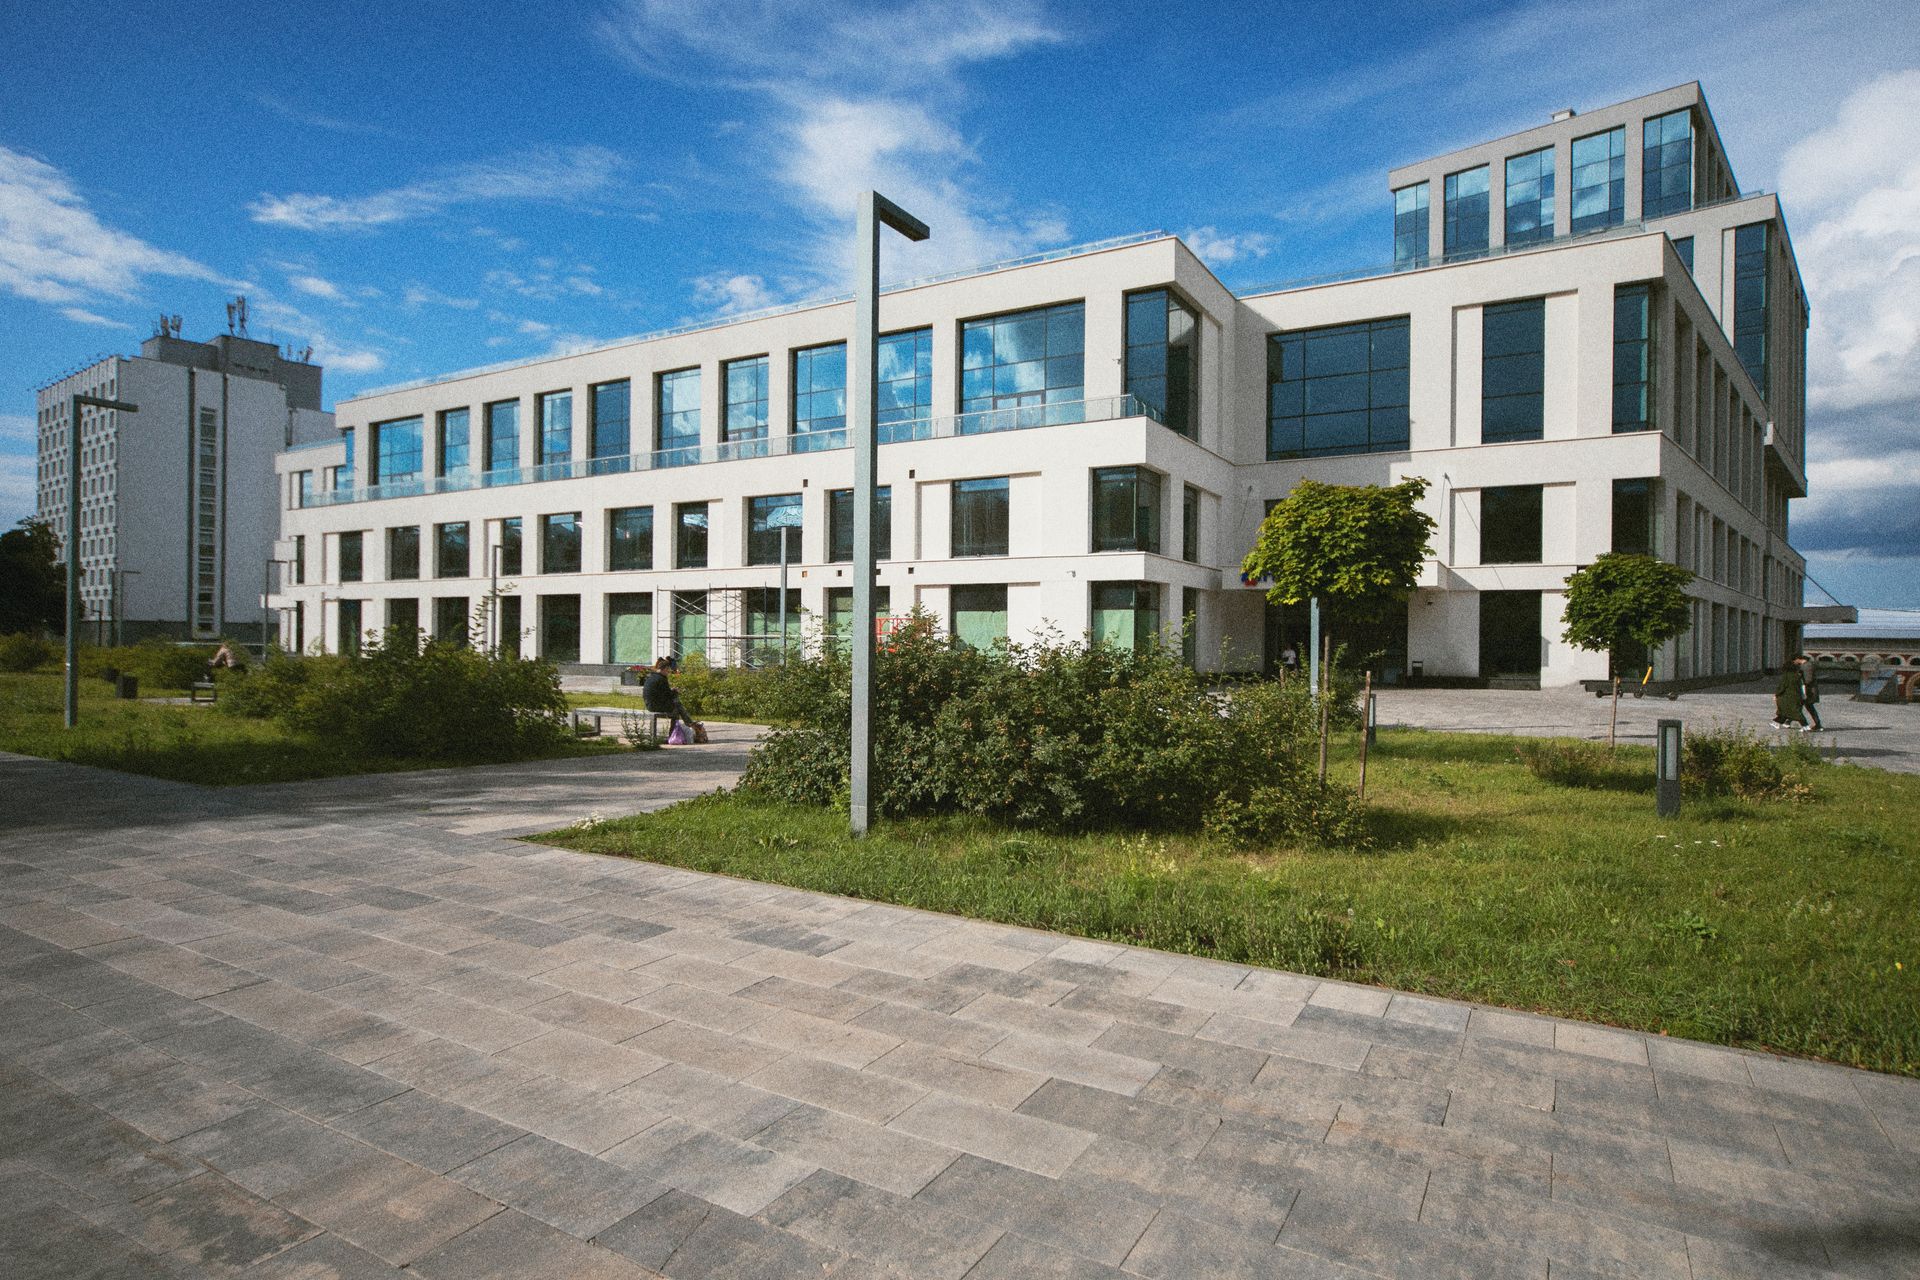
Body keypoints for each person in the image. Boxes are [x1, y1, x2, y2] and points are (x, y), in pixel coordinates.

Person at [641, 656, 699, 741]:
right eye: (668, 670)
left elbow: (662, 693)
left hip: (650, 704)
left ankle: (688, 723)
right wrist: (675, 692)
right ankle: (681, 729)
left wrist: (671, 691)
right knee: (676, 710)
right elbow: (668, 695)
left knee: (677, 705)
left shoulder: (652, 677)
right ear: (664, 669)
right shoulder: (662, 679)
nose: (669, 672)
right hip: (656, 706)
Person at [1772, 662, 1804, 731]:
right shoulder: (1797, 676)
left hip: (1787, 696)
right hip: (1797, 696)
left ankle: (1805, 725)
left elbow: (1782, 687)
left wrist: (1776, 694)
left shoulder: (1786, 676)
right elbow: (1800, 686)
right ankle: (1778, 723)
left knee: (1791, 711)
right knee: (1789, 711)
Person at [1797, 653, 1823, 732]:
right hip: (1808, 690)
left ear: (1799, 659)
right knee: (1808, 707)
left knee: (1799, 707)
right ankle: (1817, 724)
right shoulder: (1806, 665)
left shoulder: (1807, 666)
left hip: (1808, 691)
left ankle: (1807, 725)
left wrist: (1800, 682)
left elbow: (1808, 680)